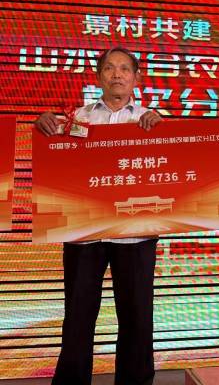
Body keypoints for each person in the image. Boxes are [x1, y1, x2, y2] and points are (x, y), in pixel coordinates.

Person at [35, 46, 162, 385]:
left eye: (124, 68)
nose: (117, 74)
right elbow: (55, 159)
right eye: (109, 68)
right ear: (98, 76)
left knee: (137, 319)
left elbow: (172, 168)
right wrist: (44, 124)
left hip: (135, 235)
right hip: (85, 234)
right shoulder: (77, 118)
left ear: (136, 78)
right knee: (78, 317)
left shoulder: (151, 121)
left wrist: (165, 133)